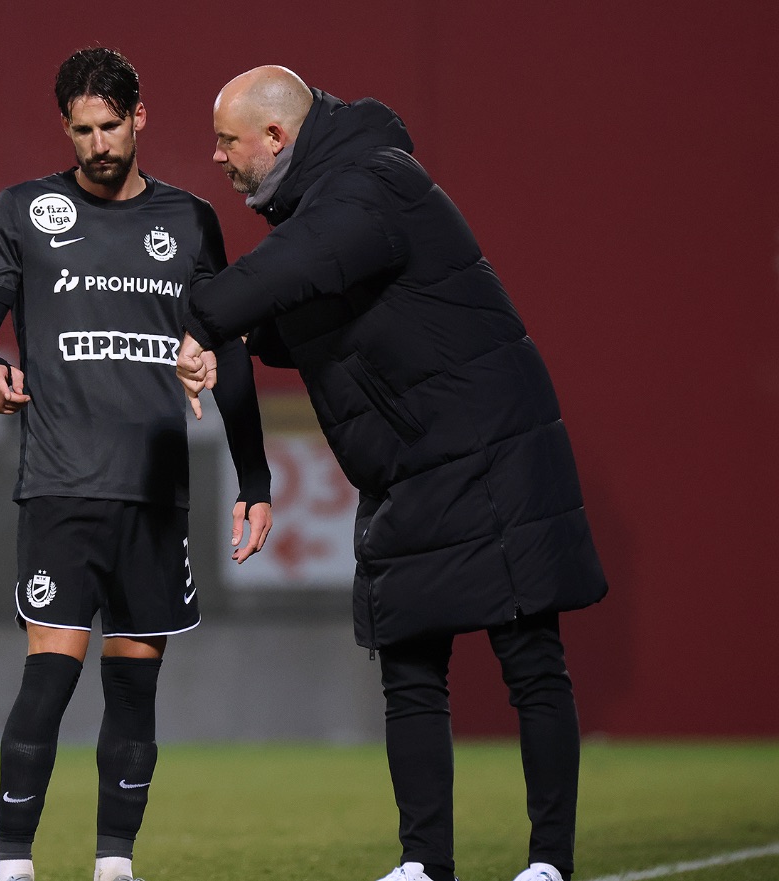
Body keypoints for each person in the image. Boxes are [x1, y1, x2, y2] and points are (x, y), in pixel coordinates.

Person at [176, 66, 607, 881]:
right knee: (409, 669)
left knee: (530, 661)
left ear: (276, 136)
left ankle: (549, 862)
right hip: (408, 469)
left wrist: (202, 319)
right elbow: (294, 311)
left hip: (492, 450)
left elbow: (286, 272)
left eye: (228, 142)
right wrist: (227, 333)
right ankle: (424, 864)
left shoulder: (372, 182)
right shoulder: (324, 212)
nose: (219, 158)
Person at [0, 48, 273, 881]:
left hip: (154, 495)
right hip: (61, 488)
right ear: (65, 128)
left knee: (134, 690)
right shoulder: (24, 210)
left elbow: (229, 354)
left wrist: (255, 480)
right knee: (49, 682)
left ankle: (115, 865)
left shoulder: (191, 221)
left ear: (140, 117)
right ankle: (14, 865)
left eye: (110, 126)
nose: (97, 144)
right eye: (81, 130)